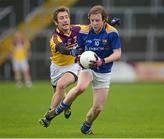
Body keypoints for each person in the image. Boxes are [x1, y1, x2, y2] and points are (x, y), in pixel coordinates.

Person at [43, 5, 122, 134]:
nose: (94, 23)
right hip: (84, 67)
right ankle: (55, 112)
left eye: (97, 20)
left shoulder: (112, 32)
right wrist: (77, 54)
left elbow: (117, 54)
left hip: (104, 71)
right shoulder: (82, 32)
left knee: (98, 108)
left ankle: (86, 127)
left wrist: (102, 61)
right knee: (80, 87)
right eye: (92, 20)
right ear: (56, 22)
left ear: (103, 20)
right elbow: (70, 49)